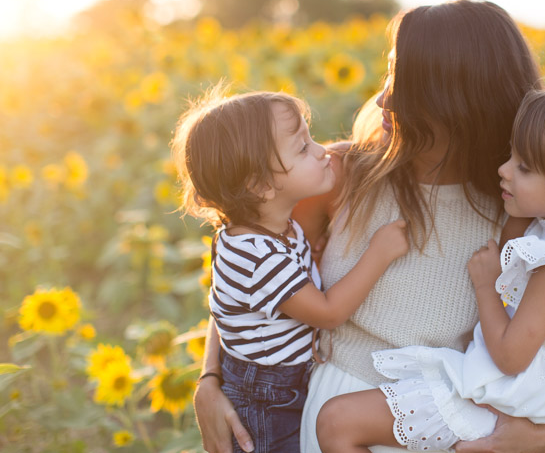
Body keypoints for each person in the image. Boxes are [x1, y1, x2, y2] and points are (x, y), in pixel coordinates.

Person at [194, 0, 545, 453]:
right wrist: (210, 379)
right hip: (339, 422)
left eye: (402, 82)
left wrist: (542, 433)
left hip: (469, 430)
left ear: (455, 100)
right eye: (389, 74)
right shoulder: (339, 175)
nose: (382, 98)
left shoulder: (531, 202)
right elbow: (254, 274)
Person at [314, 87, 545, 452]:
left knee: (337, 422)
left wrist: (485, 286)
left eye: (524, 167)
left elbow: (510, 357)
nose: (503, 170)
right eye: (510, 155)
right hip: (540, 403)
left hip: (507, 403)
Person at [172, 88, 410, 453]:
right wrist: (379, 252)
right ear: (260, 185)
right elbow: (328, 312)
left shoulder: (275, 229)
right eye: (303, 148)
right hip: (266, 400)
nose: (322, 151)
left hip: (281, 384)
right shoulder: (257, 256)